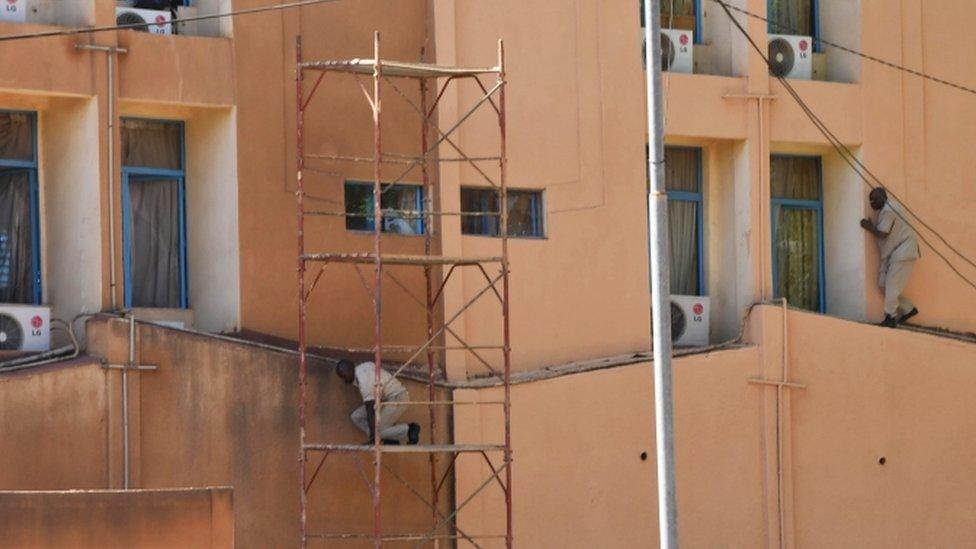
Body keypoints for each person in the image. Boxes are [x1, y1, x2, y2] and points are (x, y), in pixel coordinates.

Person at [860, 187, 920, 328]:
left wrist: (869, 226)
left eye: (873, 200)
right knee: (883, 285)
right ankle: (908, 309)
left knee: (892, 285)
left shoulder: (888, 210)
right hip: (895, 253)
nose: (871, 203)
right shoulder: (887, 209)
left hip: (903, 252)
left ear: (882, 197)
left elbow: (883, 233)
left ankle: (890, 317)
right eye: (870, 200)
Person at [336, 359, 420, 445]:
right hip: (383, 400)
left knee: (378, 431)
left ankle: (410, 429)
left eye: (344, 376)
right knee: (356, 417)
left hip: (397, 397)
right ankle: (387, 437)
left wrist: (373, 438)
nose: (344, 380)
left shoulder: (364, 380)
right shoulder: (362, 367)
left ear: (349, 369)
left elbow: (370, 410)